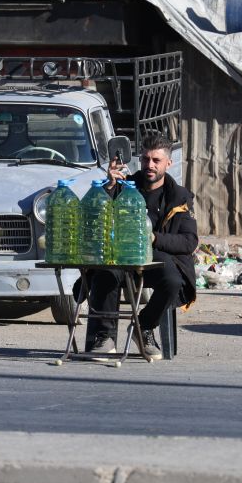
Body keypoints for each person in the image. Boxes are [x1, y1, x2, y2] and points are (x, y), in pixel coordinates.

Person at [84, 134, 198, 356]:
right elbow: (94, 221)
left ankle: (143, 327)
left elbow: (189, 241)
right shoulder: (124, 186)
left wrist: (154, 238)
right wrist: (109, 187)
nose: (150, 165)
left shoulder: (179, 196)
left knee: (174, 281)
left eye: (156, 160)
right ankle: (104, 335)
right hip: (122, 255)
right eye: (146, 159)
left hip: (157, 258)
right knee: (106, 272)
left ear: (168, 163)